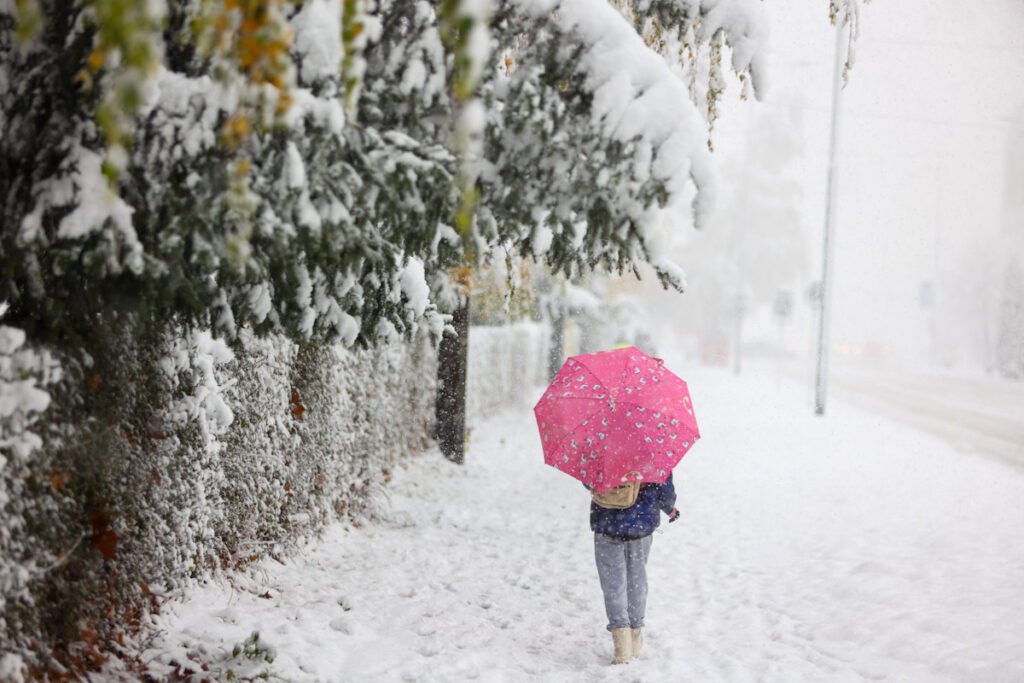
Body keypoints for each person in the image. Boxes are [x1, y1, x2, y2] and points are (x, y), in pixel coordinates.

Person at [590, 473, 679, 664]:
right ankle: (635, 636)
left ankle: (621, 644)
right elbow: (664, 488)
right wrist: (669, 508)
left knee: (613, 584)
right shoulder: (651, 450)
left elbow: (588, 481)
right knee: (636, 579)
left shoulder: (599, 450)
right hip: (640, 522)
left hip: (606, 523)